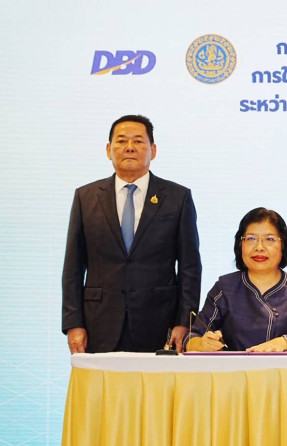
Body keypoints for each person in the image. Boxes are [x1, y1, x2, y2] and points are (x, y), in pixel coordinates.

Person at [62, 114, 202, 353]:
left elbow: (190, 266)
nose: (129, 147)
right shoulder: (85, 197)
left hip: (160, 322)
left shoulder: (177, 198)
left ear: (153, 150)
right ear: (108, 150)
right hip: (98, 323)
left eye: (138, 141)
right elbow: (73, 267)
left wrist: (184, 322)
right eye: (121, 141)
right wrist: (73, 323)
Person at [186, 207, 287, 353]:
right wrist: (202, 344)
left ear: (283, 245)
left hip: (284, 368)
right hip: (235, 367)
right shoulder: (225, 287)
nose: (259, 247)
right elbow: (191, 337)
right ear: (240, 244)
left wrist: (286, 342)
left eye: (269, 239)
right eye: (251, 239)